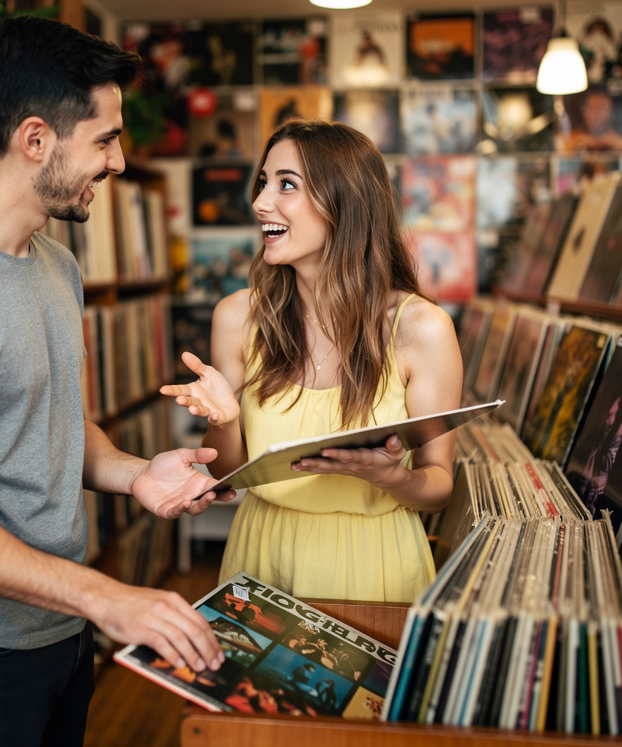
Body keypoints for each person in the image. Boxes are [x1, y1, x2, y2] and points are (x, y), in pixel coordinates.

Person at [0, 17, 231, 747]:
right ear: (35, 140)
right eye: (105, 139)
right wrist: (105, 596)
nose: (120, 162)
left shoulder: (56, 264)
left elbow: (53, 424)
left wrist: (134, 475)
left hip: (58, 630)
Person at [161, 118, 463, 603]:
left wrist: (391, 476)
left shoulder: (421, 329)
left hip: (377, 568)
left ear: (343, 202)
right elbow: (228, 472)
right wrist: (225, 421)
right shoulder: (237, 317)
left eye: (286, 185)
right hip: (261, 557)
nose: (260, 203)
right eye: (263, 182)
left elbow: (440, 483)